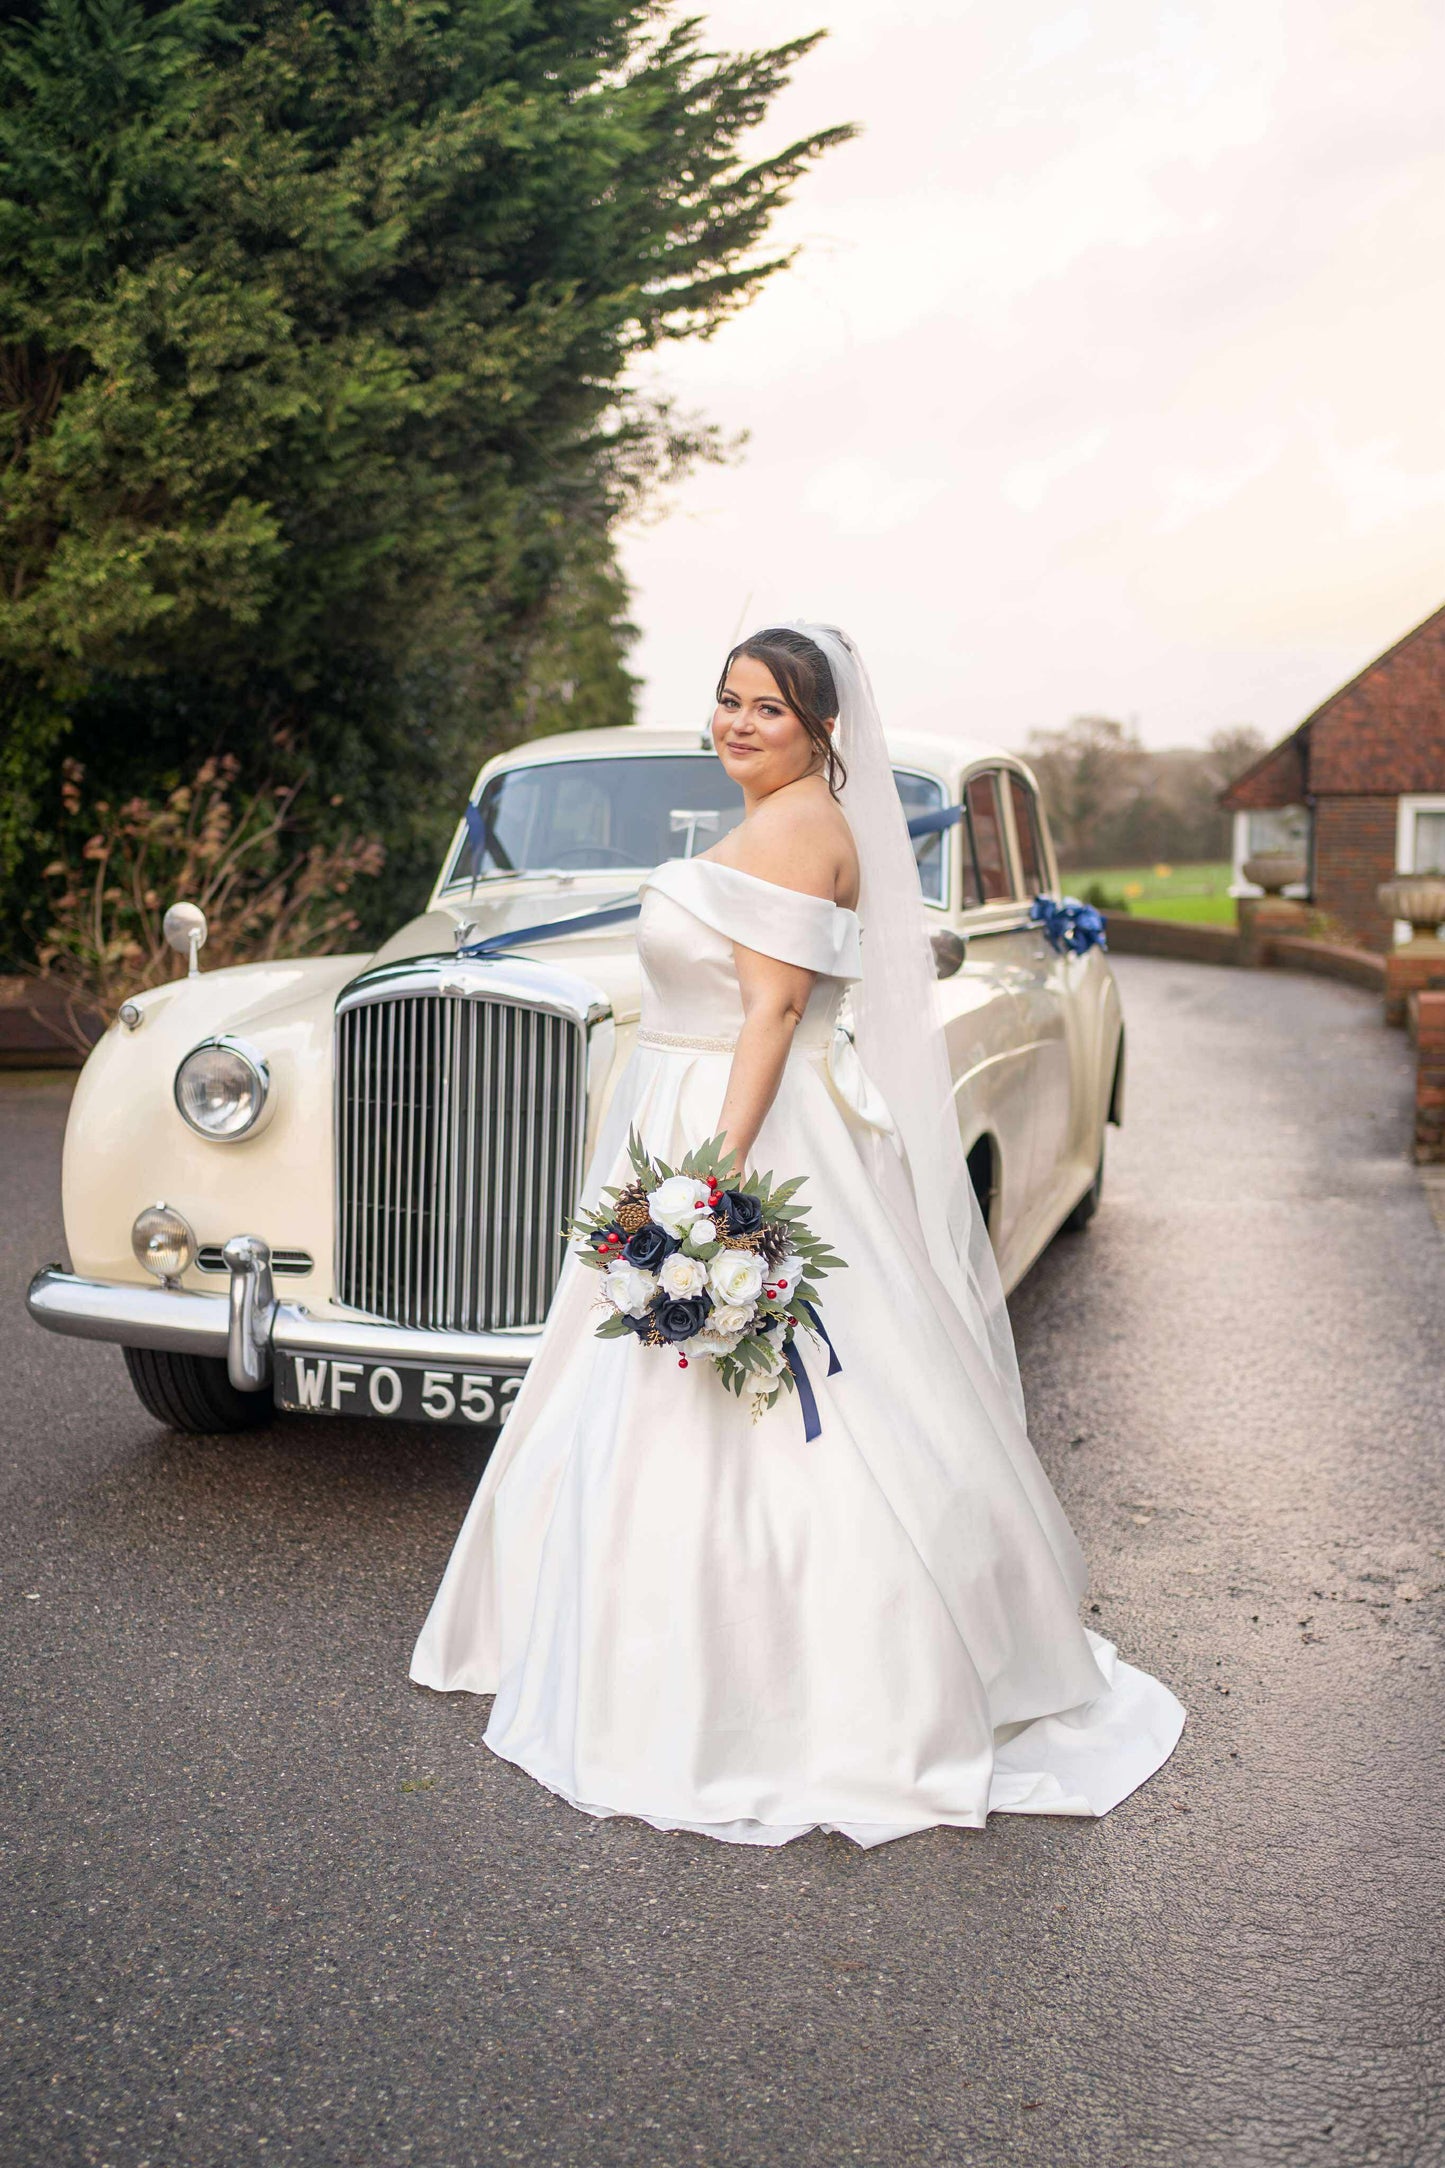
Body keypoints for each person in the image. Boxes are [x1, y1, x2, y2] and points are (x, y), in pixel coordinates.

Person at [409, 622, 1185, 1848]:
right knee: (738, 1378)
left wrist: (713, 1182)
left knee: (750, 1388)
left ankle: (747, 1687)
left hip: (735, 1118)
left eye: (765, 708)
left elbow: (770, 1010)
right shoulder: (802, 815)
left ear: (823, 726)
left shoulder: (791, 826)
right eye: (725, 700)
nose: (734, 723)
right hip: (706, 1098)